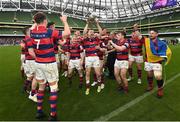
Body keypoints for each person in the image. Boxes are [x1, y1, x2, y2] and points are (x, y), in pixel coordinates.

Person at [27, 12, 71, 120]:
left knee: (41, 87)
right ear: (45, 21)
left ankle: (39, 111)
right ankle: (53, 115)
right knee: (53, 88)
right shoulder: (48, 31)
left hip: (38, 63)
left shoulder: (31, 32)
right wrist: (64, 21)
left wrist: (35, 22)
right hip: (49, 63)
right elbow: (67, 33)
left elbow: (33, 27)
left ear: (36, 22)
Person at [143, 29, 172, 98]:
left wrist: (163, 57)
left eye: (152, 33)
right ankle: (150, 85)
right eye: (150, 33)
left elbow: (168, 51)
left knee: (158, 76)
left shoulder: (161, 43)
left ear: (157, 34)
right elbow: (138, 35)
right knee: (149, 74)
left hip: (157, 62)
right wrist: (136, 28)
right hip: (148, 61)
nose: (150, 34)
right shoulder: (146, 40)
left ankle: (160, 90)